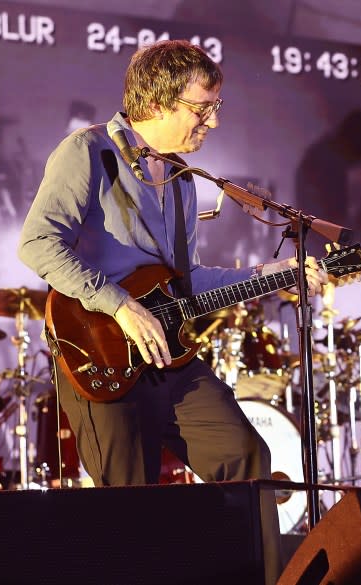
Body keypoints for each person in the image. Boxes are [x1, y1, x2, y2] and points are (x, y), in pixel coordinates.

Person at [18, 39, 326, 583]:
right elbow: (39, 243)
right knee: (132, 507)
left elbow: (186, 282)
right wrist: (120, 305)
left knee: (246, 459)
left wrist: (271, 279)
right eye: (202, 107)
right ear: (158, 102)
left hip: (170, 355)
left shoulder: (183, 181)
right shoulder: (87, 152)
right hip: (100, 355)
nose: (211, 121)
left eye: (215, 108)